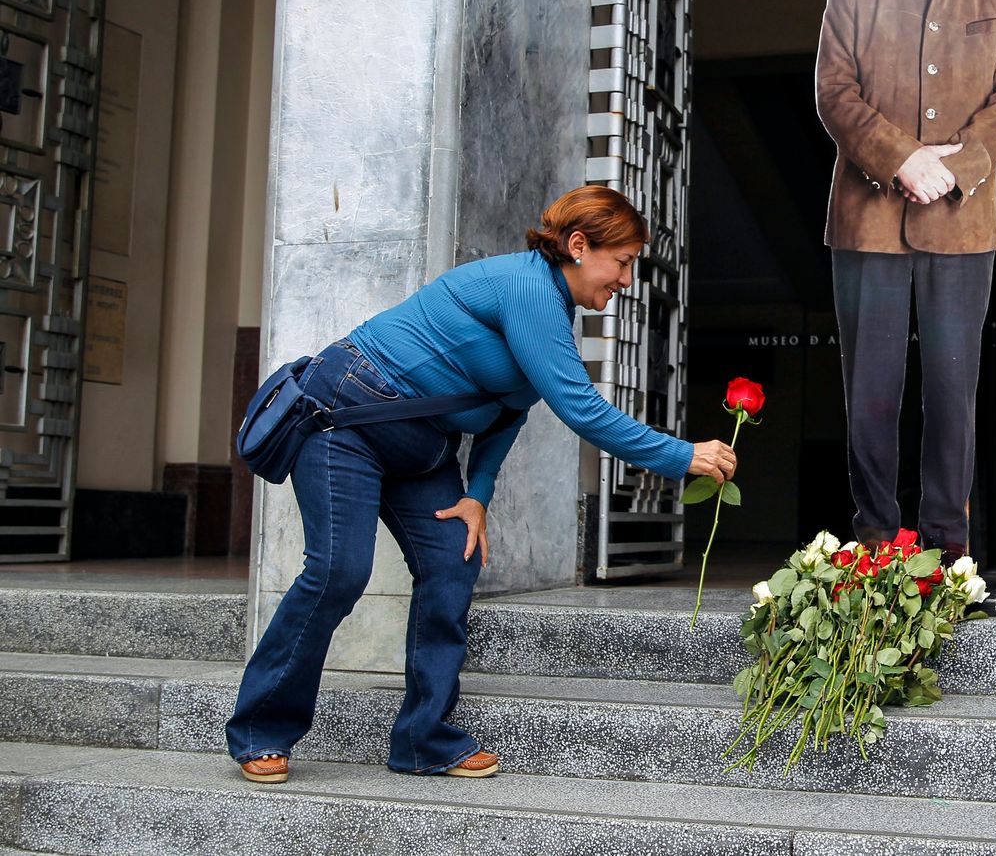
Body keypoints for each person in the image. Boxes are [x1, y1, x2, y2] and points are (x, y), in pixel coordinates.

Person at [226, 185, 737, 783]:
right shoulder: (526, 289)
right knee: (339, 570)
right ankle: (262, 729)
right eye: (622, 261)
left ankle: (424, 738)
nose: (626, 279)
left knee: (452, 559)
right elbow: (582, 411)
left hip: (422, 448)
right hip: (349, 418)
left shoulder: (554, 310)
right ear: (578, 246)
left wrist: (477, 495)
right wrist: (681, 455)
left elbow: (507, 410)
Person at [815, 0, 996, 561]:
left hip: (964, 217)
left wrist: (962, 164)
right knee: (870, 392)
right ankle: (875, 538)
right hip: (866, 219)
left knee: (952, 391)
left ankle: (946, 547)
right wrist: (900, 159)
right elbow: (834, 94)